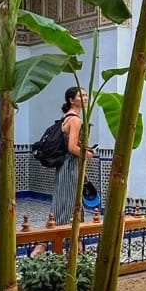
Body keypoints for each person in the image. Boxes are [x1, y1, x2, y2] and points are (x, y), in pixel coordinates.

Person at [50, 86, 95, 225]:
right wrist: (89, 154)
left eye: (86, 95)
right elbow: (72, 147)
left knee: (62, 199)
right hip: (70, 166)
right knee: (70, 202)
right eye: (81, 95)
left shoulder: (66, 117)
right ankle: (65, 231)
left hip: (65, 165)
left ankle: (59, 229)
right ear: (71, 100)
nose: (85, 98)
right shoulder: (75, 120)